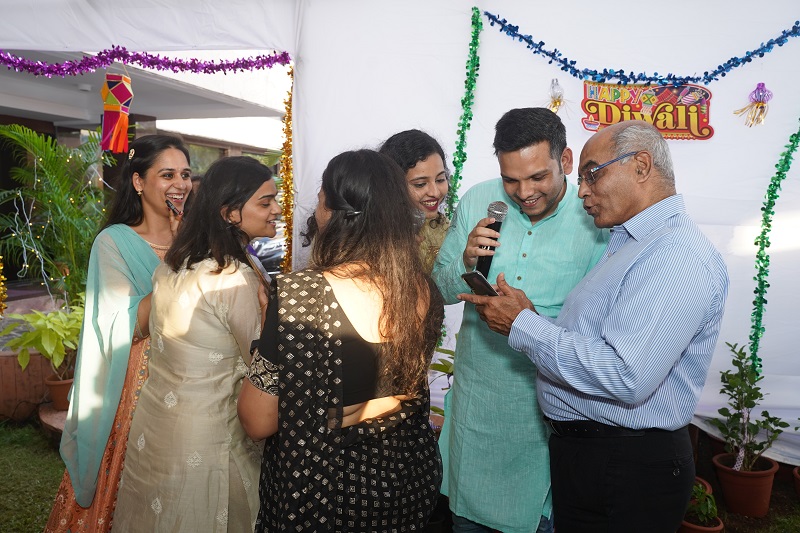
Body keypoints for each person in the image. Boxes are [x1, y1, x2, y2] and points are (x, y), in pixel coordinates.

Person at [459, 120, 729, 532]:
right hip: (598, 458)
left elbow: (626, 375)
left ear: (641, 166)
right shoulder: (635, 243)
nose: (582, 190)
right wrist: (531, 318)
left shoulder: (675, 255)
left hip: (626, 465)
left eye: (592, 174)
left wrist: (523, 325)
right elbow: (602, 344)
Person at [238, 149, 445, 531]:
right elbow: (387, 397)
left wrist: (267, 336)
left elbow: (257, 420)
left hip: (327, 496)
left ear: (333, 214)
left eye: (320, 201)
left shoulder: (302, 296)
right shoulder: (423, 289)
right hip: (406, 486)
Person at [431, 108, 609, 533]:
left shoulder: (596, 216)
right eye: (510, 179)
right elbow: (438, 290)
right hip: (477, 409)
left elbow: (602, 327)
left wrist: (529, 321)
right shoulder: (479, 199)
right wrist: (466, 260)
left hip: (548, 416)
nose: (524, 192)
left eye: (537, 177)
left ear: (565, 160)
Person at [112, 156, 280, 531]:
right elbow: (261, 366)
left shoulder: (174, 265)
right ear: (230, 213)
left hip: (157, 427)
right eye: (265, 202)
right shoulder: (232, 277)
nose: (277, 210)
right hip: (210, 437)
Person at [46, 134, 192, 532]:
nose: (180, 184)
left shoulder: (197, 237)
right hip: (139, 384)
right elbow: (127, 323)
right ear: (139, 181)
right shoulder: (113, 242)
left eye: (185, 174)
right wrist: (178, 266)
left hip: (195, 377)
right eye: (167, 174)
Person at [379, 129, 451, 274]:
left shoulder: (444, 228)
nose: (435, 192)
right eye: (420, 184)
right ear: (393, 186)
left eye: (440, 180)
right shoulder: (375, 236)